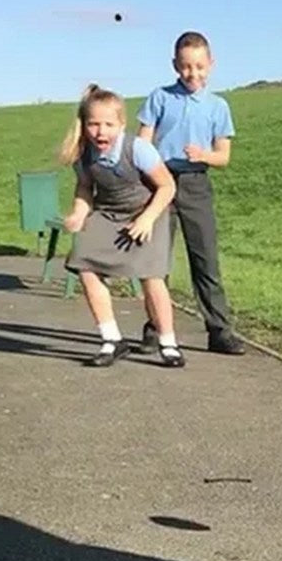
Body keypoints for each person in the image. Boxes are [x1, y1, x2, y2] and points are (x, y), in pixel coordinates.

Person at [136, 31, 246, 355]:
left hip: (196, 184)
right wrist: (147, 172)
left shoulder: (218, 106)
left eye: (199, 66)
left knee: (206, 261)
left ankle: (219, 332)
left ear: (211, 64)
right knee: (156, 262)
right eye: (185, 66)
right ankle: (155, 328)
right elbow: (142, 143)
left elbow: (224, 156)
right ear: (175, 65)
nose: (192, 73)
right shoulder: (159, 98)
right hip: (160, 184)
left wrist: (203, 155)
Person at [61, 84, 185, 369]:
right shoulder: (83, 154)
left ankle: (168, 343)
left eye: (108, 124)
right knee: (84, 265)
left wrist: (147, 218)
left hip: (148, 211)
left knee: (152, 277)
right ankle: (112, 340)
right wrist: (79, 212)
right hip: (108, 213)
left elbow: (167, 186)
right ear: (84, 124)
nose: (100, 132)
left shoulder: (138, 148)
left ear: (121, 124)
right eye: (93, 124)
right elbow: (85, 187)